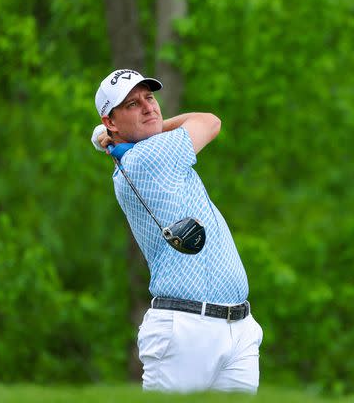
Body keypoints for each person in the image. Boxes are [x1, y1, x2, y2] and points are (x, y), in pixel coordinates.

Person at [91, 68, 263, 393]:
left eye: (149, 97)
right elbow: (210, 122)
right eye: (132, 104)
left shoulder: (136, 153)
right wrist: (122, 132)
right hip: (185, 330)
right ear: (111, 121)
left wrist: (112, 133)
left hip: (237, 327)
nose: (149, 108)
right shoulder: (149, 157)